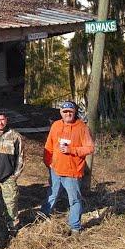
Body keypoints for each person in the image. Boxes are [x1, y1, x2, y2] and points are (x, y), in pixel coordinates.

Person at [40, 101, 95, 235]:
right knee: (52, 194)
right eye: (65, 112)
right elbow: (49, 145)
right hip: (56, 169)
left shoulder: (82, 127)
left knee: (74, 199)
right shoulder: (56, 125)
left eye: (70, 111)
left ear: (74, 112)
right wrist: (48, 162)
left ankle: (75, 227)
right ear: (61, 113)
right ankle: (42, 216)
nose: (68, 114)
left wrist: (72, 150)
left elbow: (90, 148)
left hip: (72, 172)